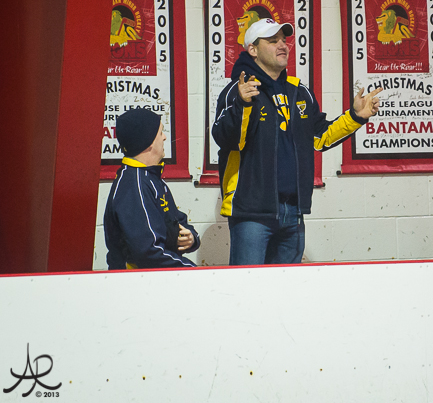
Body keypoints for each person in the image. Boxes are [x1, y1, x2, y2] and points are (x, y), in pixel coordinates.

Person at [212, 18, 381, 266]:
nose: (283, 45)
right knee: (247, 286)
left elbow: (320, 137)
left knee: (288, 287)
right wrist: (243, 105)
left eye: (284, 40)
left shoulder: (299, 91)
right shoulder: (238, 91)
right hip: (251, 213)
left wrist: (355, 117)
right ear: (253, 50)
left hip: (293, 212)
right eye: (273, 41)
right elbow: (227, 140)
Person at [103, 108, 200, 269]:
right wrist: (193, 270)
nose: (165, 137)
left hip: (156, 277)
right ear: (147, 142)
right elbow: (148, 253)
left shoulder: (150, 178)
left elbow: (177, 221)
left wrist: (191, 239)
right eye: (160, 132)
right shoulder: (133, 185)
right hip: (138, 280)